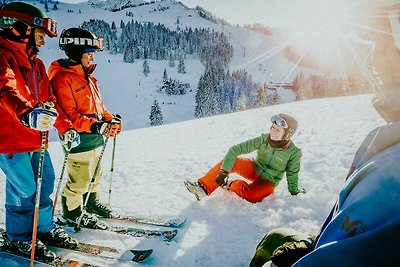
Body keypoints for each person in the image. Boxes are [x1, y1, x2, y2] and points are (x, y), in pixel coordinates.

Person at [252, 87, 400, 267]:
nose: (371, 62)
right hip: (326, 246)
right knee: (274, 238)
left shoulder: (390, 168)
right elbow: (346, 226)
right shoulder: (384, 143)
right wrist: (310, 244)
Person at [0, 2, 79, 262]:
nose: (43, 40)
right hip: (10, 140)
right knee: (24, 189)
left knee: (44, 185)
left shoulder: (36, 65)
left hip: (37, 138)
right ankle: (19, 237)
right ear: (18, 28)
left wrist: (65, 127)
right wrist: (25, 113)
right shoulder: (2, 55)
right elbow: (5, 90)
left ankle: (42, 229)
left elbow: (49, 103)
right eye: (39, 33)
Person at [48, 28, 123, 229]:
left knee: (95, 174)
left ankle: (90, 202)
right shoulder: (62, 78)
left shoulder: (87, 77)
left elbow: (99, 107)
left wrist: (109, 118)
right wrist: (97, 125)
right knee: (79, 179)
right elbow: (69, 115)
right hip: (79, 138)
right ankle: (72, 213)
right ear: (76, 53)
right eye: (88, 53)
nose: (92, 58)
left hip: (95, 138)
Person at [185, 114, 306, 203]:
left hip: (268, 181)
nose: (273, 132)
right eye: (273, 127)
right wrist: (223, 172)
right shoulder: (264, 139)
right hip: (254, 168)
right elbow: (235, 150)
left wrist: (294, 191)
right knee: (234, 162)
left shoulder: (294, 153)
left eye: (278, 130)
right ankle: (202, 188)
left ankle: (231, 184)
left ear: (287, 134)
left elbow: (292, 174)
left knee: (251, 195)